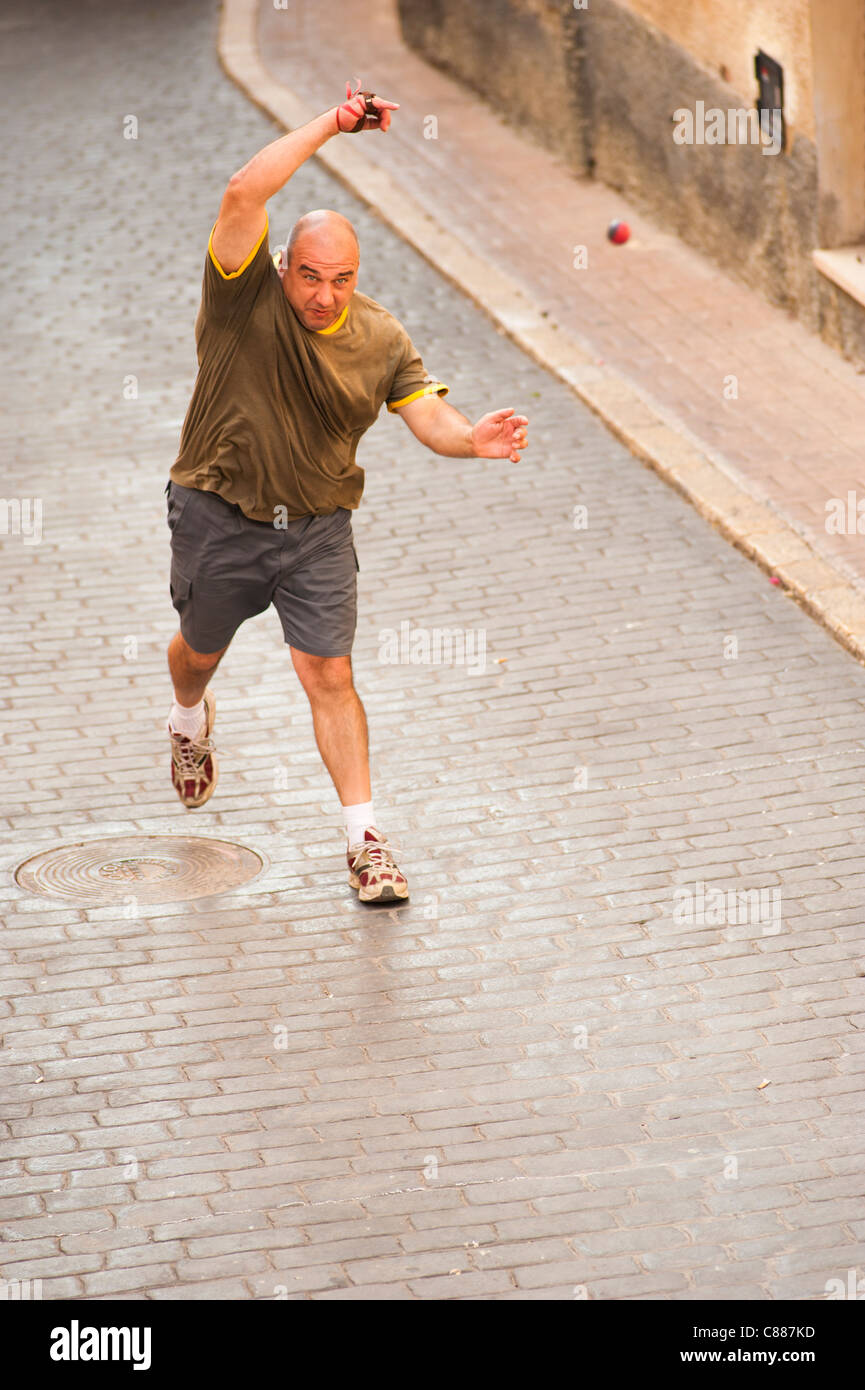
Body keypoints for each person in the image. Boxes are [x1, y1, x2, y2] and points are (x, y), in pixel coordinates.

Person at [164, 80, 529, 904]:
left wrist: (472, 440)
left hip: (318, 529)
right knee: (197, 652)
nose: (324, 294)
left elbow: (427, 415)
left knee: (329, 674)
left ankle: (365, 843)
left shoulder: (378, 335)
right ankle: (188, 719)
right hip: (220, 512)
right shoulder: (240, 294)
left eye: (341, 279)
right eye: (311, 276)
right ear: (283, 266)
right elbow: (243, 191)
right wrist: (334, 123)